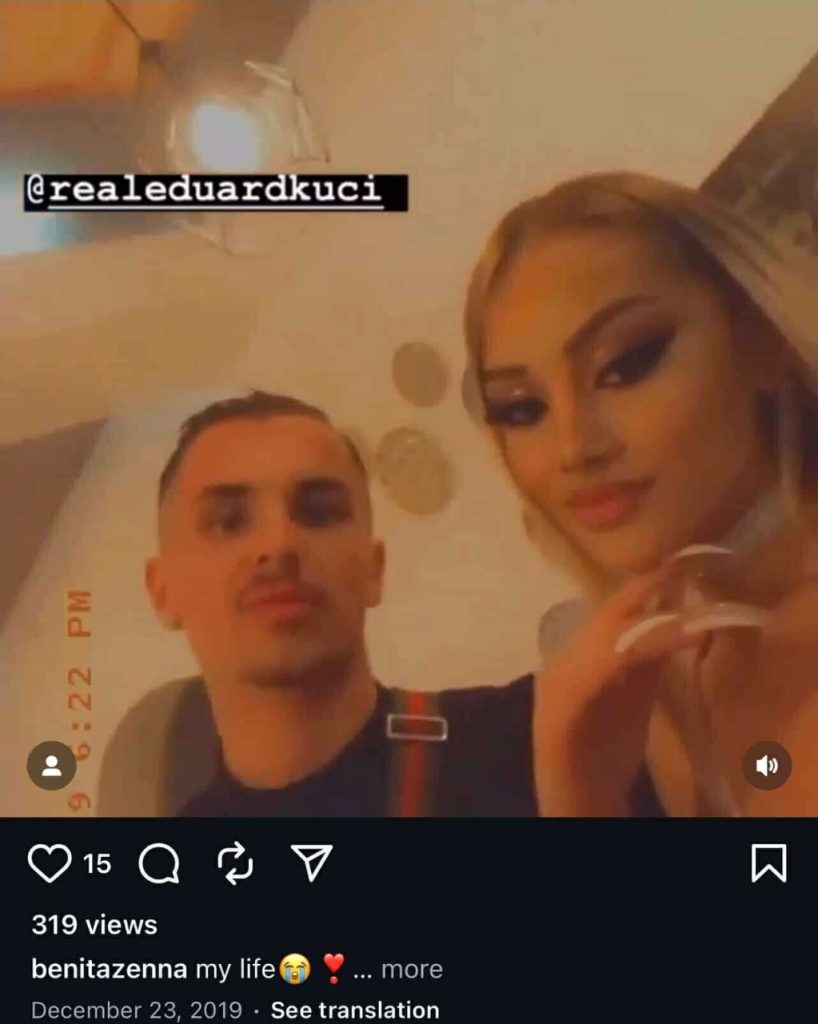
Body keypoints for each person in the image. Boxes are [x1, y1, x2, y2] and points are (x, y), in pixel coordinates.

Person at [463, 171, 818, 817]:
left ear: (758, 337)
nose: (574, 448)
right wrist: (582, 799)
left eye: (625, 364)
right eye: (522, 408)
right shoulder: (643, 693)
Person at [144, 392, 535, 816]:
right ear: (162, 591)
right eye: (229, 522)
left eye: (320, 513)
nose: (279, 543)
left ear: (374, 570)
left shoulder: (537, 743)